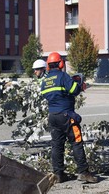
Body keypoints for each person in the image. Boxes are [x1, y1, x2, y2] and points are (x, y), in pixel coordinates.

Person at [40, 52, 97, 183]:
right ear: (61, 63)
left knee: (57, 145)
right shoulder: (63, 76)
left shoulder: (45, 81)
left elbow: (46, 94)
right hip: (66, 115)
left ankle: (58, 174)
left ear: (48, 65)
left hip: (53, 116)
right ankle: (83, 172)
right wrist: (80, 87)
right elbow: (74, 91)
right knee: (77, 142)